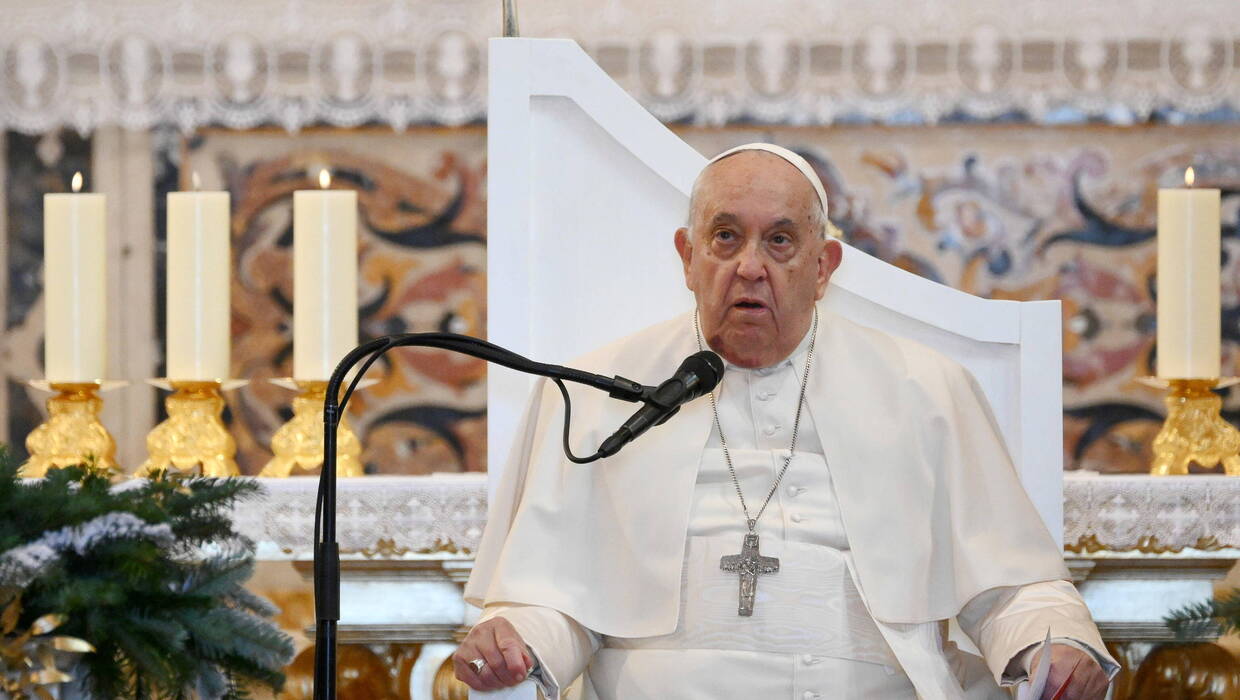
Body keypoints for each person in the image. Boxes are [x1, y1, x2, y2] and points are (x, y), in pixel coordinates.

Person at [457, 143, 1118, 699]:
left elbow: (1011, 587)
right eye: (725, 237)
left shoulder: (926, 389)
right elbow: (555, 599)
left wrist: (1050, 646)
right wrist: (518, 639)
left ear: (823, 267)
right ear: (688, 257)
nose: (749, 266)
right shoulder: (598, 391)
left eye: (780, 240)